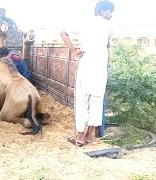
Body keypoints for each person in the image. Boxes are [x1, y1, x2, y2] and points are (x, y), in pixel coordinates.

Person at [60, 0, 114, 146]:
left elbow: (63, 33)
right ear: (103, 11)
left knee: (82, 101)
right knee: (96, 102)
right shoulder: (110, 26)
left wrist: (73, 51)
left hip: (86, 67)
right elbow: (108, 46)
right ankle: (89, 136)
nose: (111, 15)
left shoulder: (84, 22)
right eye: (110, 11)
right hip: (101, 70)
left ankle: (80, 136)